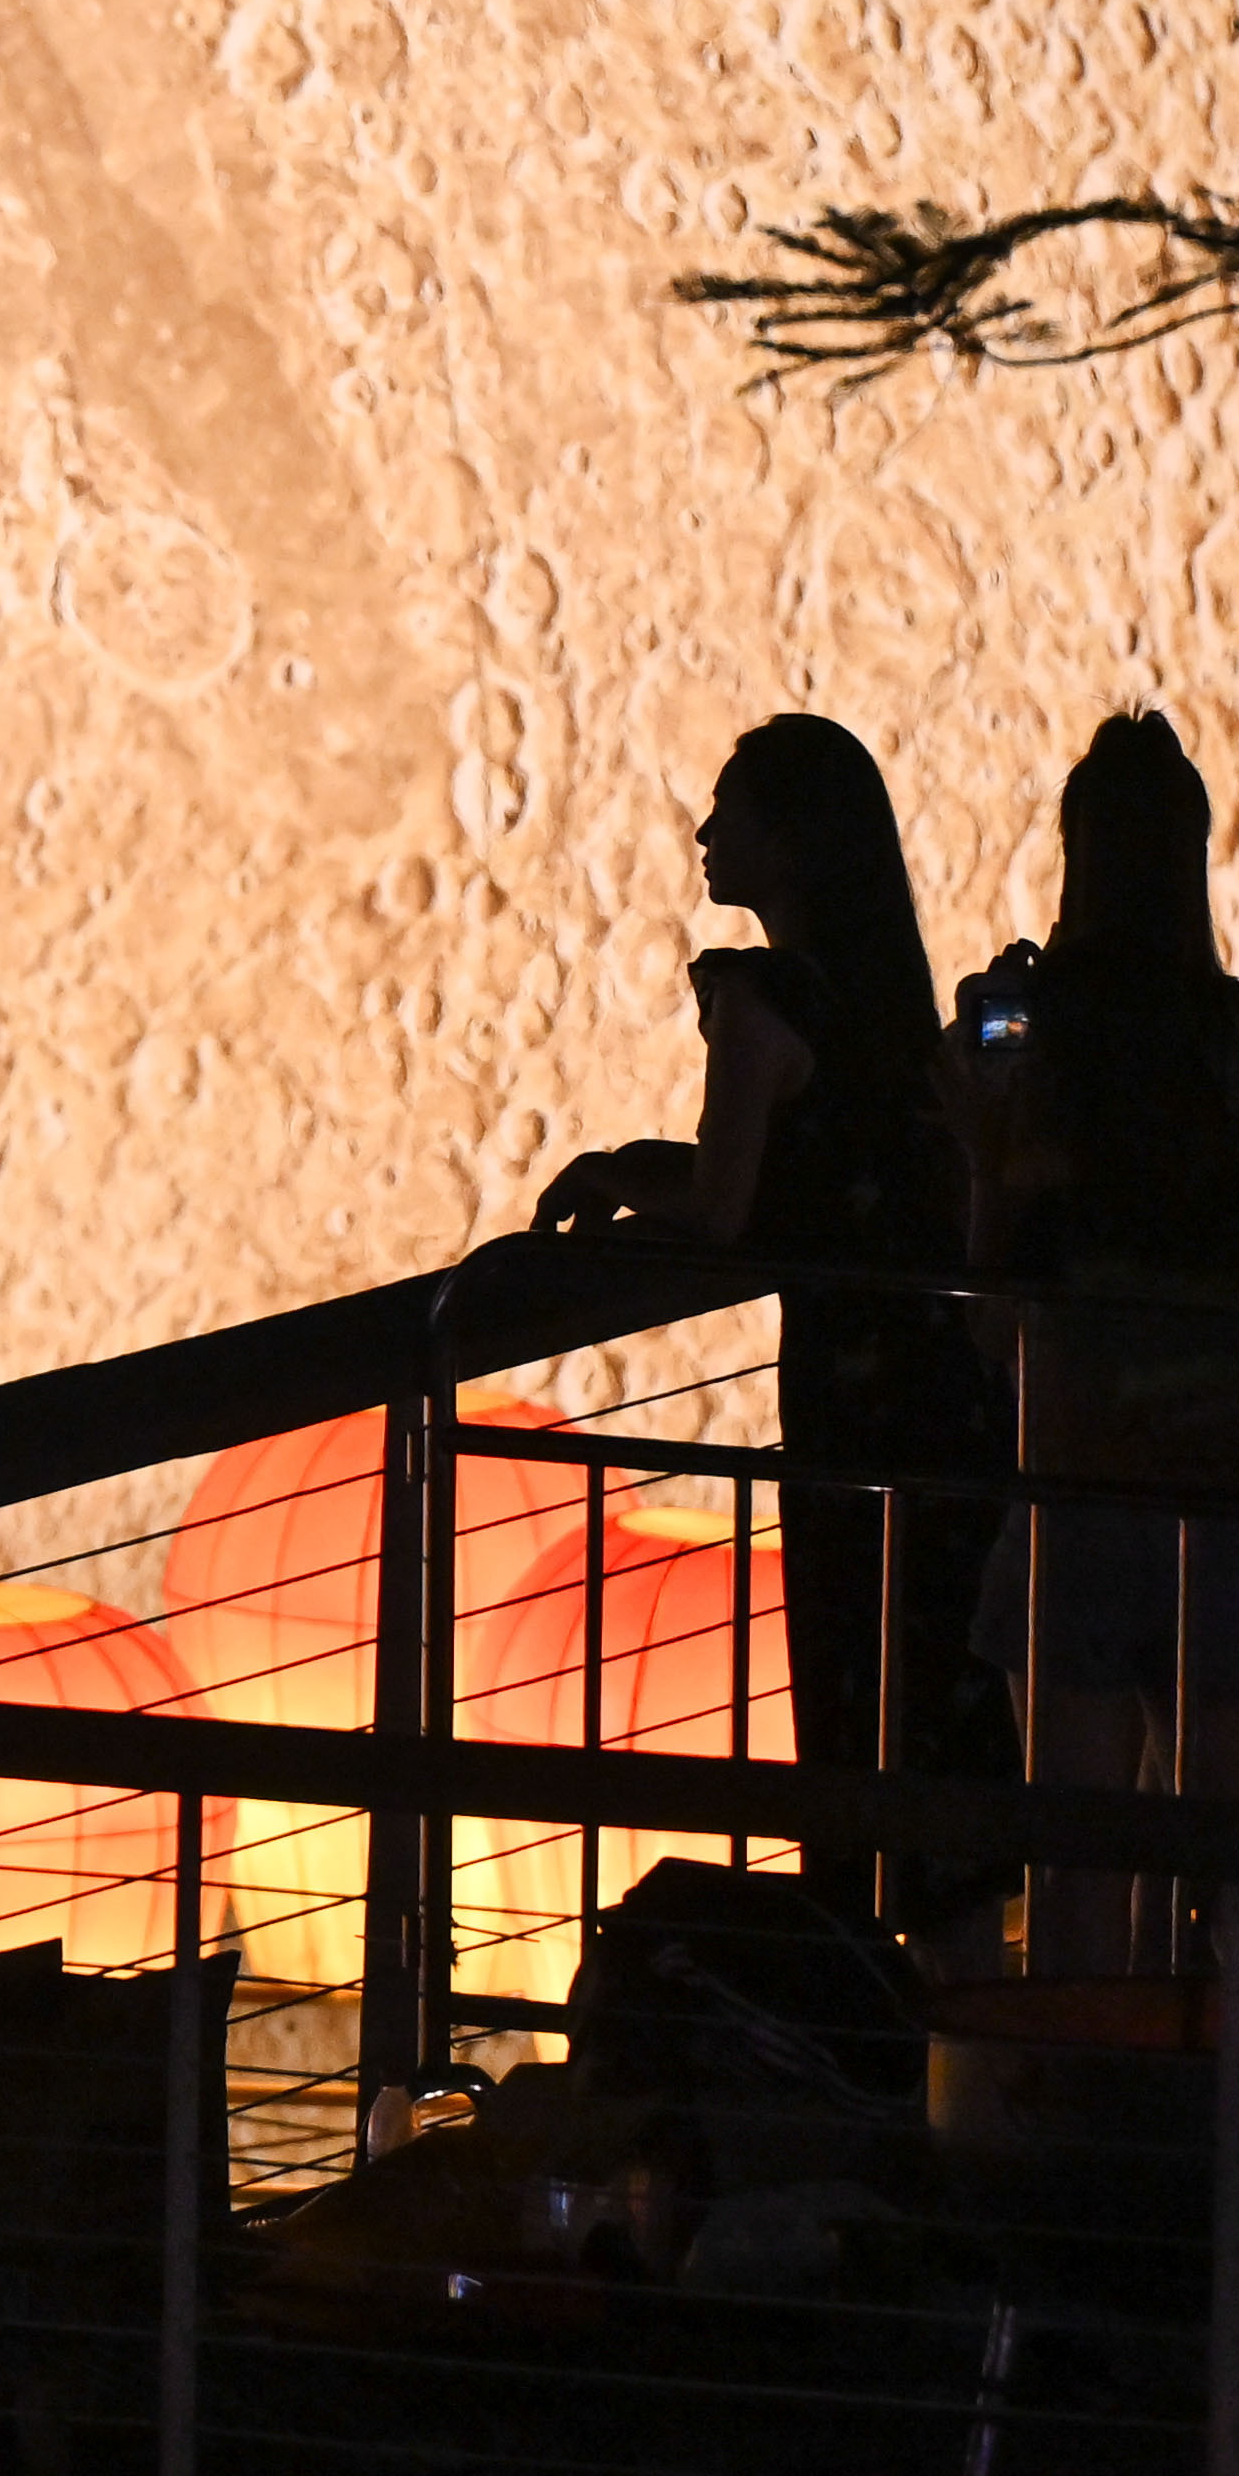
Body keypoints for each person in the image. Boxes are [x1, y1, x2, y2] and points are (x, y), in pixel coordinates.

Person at [532, 715, 998, 1840]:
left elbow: (726, 1204)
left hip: (849, 1396)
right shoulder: (885, 1000)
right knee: (945, 1699)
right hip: (950, 1393)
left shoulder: (764, 998)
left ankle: (858, 1957)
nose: (704, 830)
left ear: (791, 839)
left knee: (850, 1686)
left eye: (729, 809)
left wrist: (617, 1175)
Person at [969, 710, 1239, 1973]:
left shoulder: (1027, 1015)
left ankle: (1071, 2099)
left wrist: (996, 1027)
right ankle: (1220, 2095)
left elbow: (993, 1172)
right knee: (1226, 1834)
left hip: (1073, 1441)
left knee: (1073, 1845)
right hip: (1220, 1452)